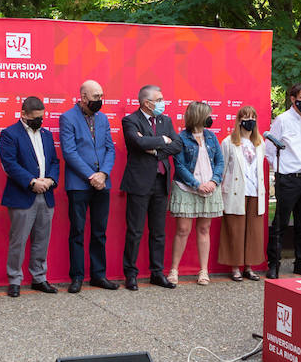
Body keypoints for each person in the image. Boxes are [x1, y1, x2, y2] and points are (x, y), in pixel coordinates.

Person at [120, 84, 183, 290]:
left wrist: (156, 151)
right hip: (139, 183)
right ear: (147, 103)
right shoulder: (130, 120)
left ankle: (157, 273)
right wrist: (160, 140)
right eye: (159, 100)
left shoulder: (165, 120)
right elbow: (137, 144)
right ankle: (131, 274)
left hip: (160, 182)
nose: (162, 103)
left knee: (158, 232)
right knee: (135, 231)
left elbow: (177, 144)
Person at [0, 97, 61, 298]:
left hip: (47, 193)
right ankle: (15, 280)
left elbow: (53, 161)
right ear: (23, 114)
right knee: (18, 240)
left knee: (42, 240)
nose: (40, 121)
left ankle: (39, 278)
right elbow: (10, 164)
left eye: (42, 117)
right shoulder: (9, 134)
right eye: (36, 117)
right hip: (22, 195)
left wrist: (50, 179)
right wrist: (32, 182)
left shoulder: (46, 135)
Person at [59, 80, 118, 292]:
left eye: (102, 96)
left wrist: (103, 174)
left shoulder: (103, 118)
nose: (100, 101)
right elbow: (69, 152)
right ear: (83, 97)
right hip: (79, 184)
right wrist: (91, 176)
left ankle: (98, 275)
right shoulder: (67, 118)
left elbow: (110, 149)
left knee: (99, 232)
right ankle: (76, 277)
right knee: (77, 231)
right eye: (96, 97)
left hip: (102, 183)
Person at [264, 83, 301, 279]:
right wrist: (282, 170)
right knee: (280, 222)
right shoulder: (282, 120)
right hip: (287, 178)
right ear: (293, 99)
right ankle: (273, 264)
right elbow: (269, 149)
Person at [169, 101, 225, 286]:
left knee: (204, 229)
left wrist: (213, 181)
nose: (211, 118)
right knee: (183, 230)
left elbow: (219, 161)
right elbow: (179, 166)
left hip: (209, 188)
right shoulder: (181, 138)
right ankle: (174, 270)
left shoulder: (211, 137)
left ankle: (204, 271)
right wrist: (196, 184)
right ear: (199, 116)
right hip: (186, 189)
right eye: (208, 114)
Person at [218, 106, 267, 281]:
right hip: (235, 192)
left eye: (253, 117)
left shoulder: (260, 142)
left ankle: (249, 266)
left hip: (255, 192)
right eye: (246, 117)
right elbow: (221, 169)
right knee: (235, 230)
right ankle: (235, 267)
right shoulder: (228, 142)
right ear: (239, 120)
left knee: (253, 232)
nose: (250, 121)